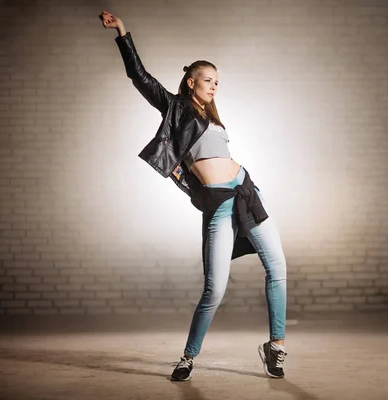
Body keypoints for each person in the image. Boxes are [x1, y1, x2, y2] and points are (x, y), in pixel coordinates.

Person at [99, 11, 288, 380]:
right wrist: (122, 31)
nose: (215, 86)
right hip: (218, 204)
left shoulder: (214, 118)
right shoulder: (176, 109)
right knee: (214, 290)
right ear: (190, 82)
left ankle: (276, 347)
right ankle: (188, 357)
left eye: (217, 81)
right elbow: (139, 77)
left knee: (278, 268)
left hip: (247, 192)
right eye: (208, 80)